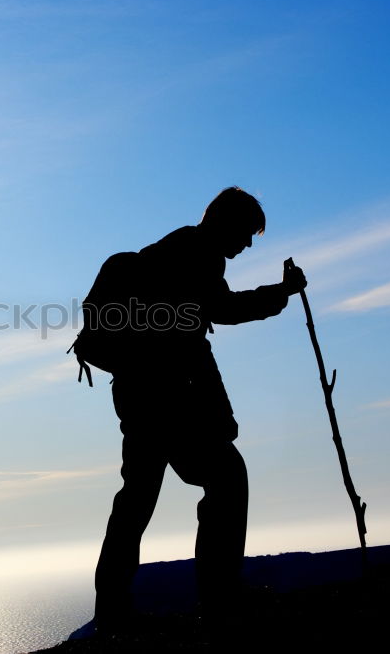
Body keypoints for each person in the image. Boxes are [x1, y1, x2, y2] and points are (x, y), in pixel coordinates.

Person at [92, 186, 307, 634]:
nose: (247, 244)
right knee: (227, 479)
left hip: (137, 393)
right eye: (246, 233)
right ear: (224, 222)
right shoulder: (197, 252)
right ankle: (220, 596)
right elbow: (222, 310)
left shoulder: (167, 250)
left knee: (137, 499)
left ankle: (113, 612)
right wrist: (281, 294)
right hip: (171, 396)